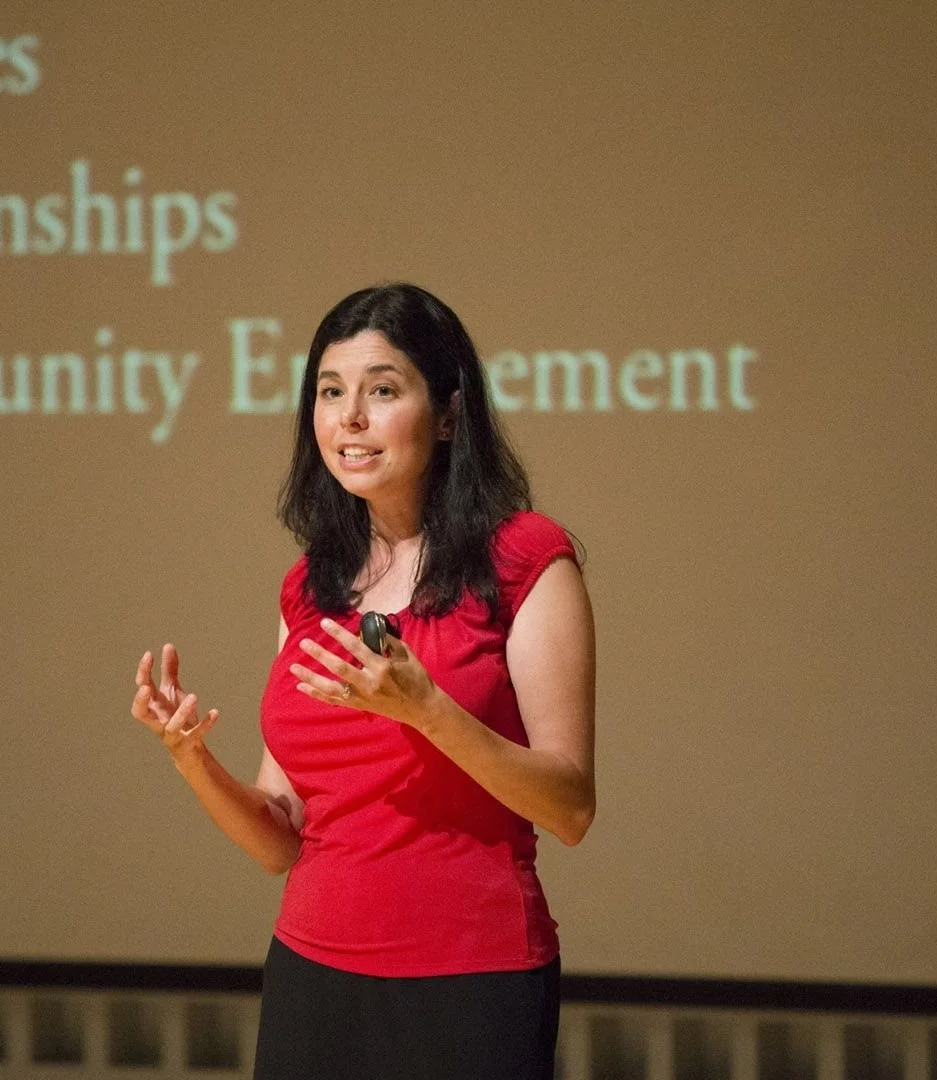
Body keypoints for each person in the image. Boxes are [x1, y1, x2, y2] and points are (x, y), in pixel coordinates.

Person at [130, 282, 596, 1080]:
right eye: (330, 392)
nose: (349, 418)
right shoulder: (310, 588)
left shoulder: (524, 558)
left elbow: (571, 807)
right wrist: (191, 759)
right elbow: (283, 838)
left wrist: (428, 711)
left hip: (471, 979)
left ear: (448, 415)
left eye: (382, 391)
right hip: (314, 975)